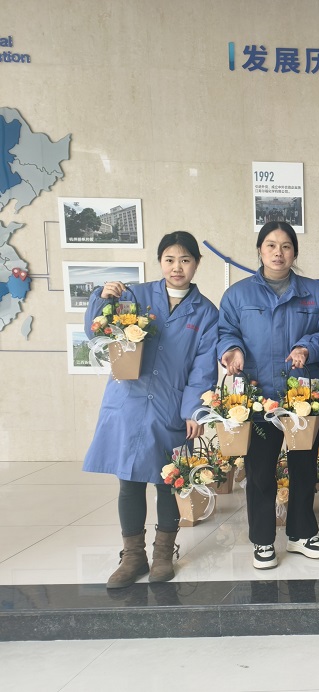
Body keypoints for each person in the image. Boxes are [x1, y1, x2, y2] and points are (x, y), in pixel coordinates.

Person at [84, 231, 219, 588]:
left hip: (171, 406)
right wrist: (102, 298)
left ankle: (162, 554)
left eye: (185, 260)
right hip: (129, 400)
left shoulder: (205, 312)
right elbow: (97, 332)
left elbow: (203, 367)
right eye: (170, 260)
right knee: (128, 481)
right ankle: (132, 557)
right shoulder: (136, 296)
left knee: (168, 481)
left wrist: (193, 411)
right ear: (160, 262)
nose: (177, 267)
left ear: (197, 264)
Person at [218, 221, 319, 569]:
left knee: (304, 467)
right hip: (257, 395)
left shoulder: (317, 294)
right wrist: (233, 350)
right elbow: (226, 331)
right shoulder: (238, 295)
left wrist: (307, 347)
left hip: (304, 395)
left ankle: (301, 534)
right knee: (259, 470)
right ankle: (263, 539)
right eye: (270, 245)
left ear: (295, 252)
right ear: (260, 250)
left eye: (286, 246)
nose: (278, 253)